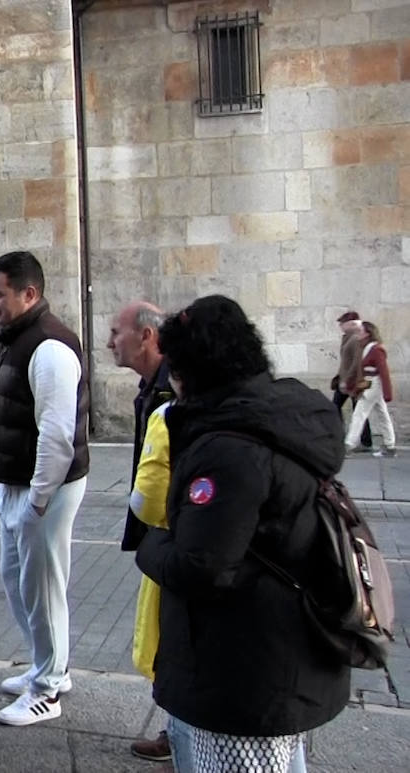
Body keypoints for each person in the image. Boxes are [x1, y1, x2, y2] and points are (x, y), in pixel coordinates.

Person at [137, 295, 349, 773]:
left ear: (190, 371)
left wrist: (151, 544)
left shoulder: (229, 447)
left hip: (244, 668)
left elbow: (202, 565)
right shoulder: (277, 415)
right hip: (284, 649)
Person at [0, 250, 90, 727]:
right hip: (19, 482)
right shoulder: (21, 338)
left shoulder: (49, 347)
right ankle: (49, 665)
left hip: (45, 487)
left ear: (29, 293)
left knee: (42, 586)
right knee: (18, 579)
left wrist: (39, 500)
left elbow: (58, 434)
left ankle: (47, 689)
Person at [106, 300, 174, 762]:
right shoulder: (152, 388)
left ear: (147, 336)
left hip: (173, 529)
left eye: (116, 332)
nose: (110, 342)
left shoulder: (170, 391)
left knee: (172, 630)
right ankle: (176, 730)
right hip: (159, 528)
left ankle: (180, 735)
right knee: (163, 631)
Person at [345, 321, 396, 458]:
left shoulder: (376, 349)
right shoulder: (367, 348)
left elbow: (383, 372)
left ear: (368, 333)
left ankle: (349, 444)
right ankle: (390, 445)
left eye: (360, 330)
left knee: (359, 413)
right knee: (382, 413)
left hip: (373, 384)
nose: (358, 333)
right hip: (370, 383)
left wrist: (387, 392)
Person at [332, 311, 373, 451]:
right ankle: (360, 440)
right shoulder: (347, 338)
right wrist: (338, 377)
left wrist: (346, 380)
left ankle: (364, 441)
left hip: (353, 381)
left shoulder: (355, 338)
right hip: (345, 380)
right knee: (340, 407)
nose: (341, 326)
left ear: (351, 324)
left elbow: (356, 362)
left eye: (343, 323)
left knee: (357, 410)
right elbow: (345, 361)